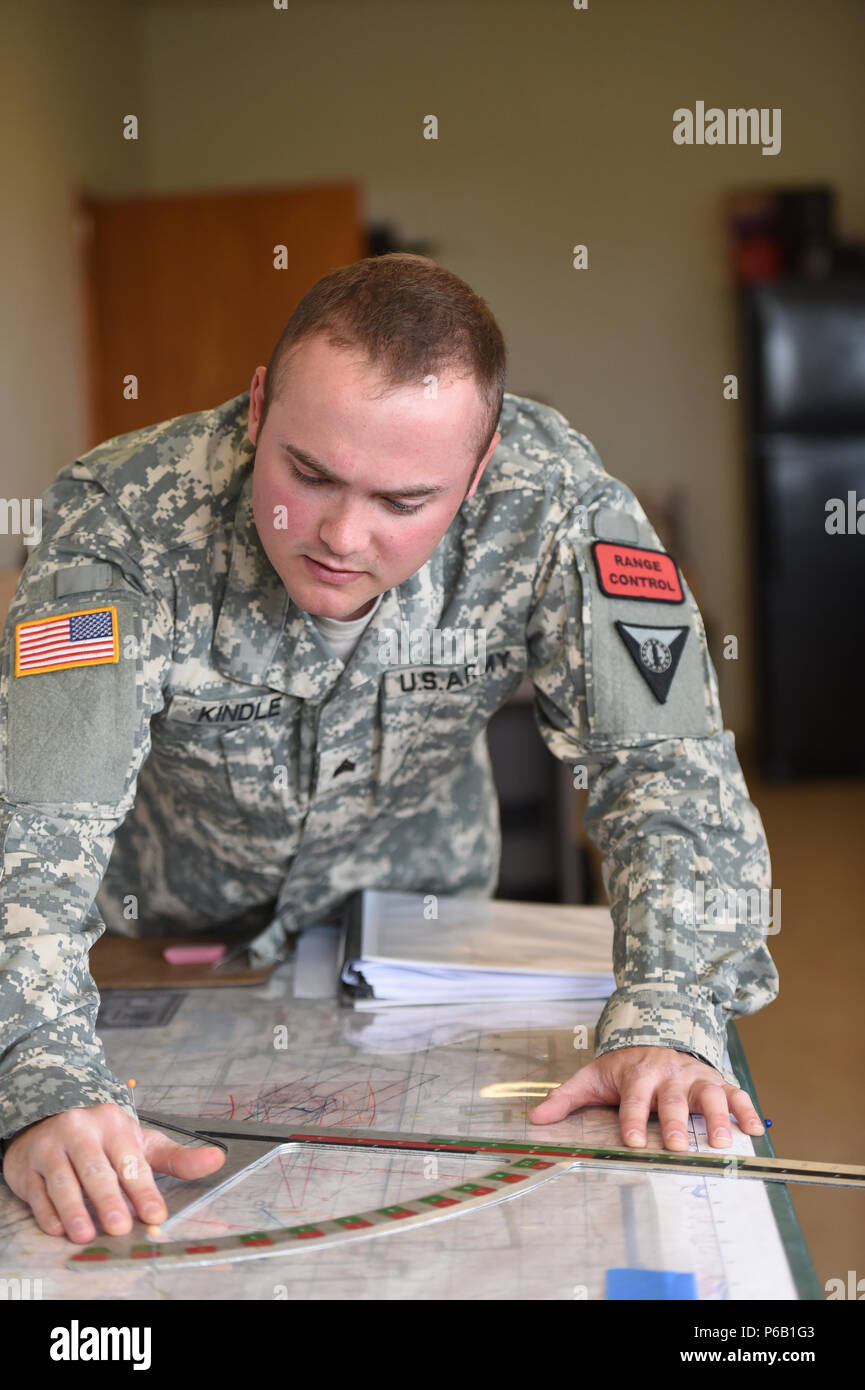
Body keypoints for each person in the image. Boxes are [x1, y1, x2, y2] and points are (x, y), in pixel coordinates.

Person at [0, 253, 777, 1244]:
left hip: (422, 930)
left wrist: (668, 1014)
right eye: (307, 473)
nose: (339, 534)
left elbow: (669, 773)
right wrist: (42, 1077)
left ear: (481, 466)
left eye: (402, 502)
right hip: (164, 934)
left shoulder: (558, 505)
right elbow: (32, 818)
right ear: (256, 408)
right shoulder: (119, 522)